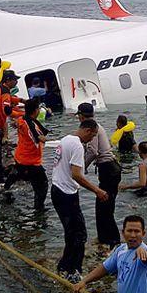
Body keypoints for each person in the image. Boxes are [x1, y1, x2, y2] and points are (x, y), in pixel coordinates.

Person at [51, 118, 109, 282]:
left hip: (57, 189)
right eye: (93, 135)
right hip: (66, 193)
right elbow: (76, 174)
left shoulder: (65, 140)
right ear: (88, 131)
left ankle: (63, 266)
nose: (92, 139)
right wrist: (97, 190)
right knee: (79, 235)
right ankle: (73, 272)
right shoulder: (77, 145)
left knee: (71, 233)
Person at [77, 102, 122, 247]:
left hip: (108, 169)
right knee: (103, 206)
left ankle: (113, 240)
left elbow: (93, 151)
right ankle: (104, 238)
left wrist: (81, 168)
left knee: (105, 206)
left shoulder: (92, 129)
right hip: (110, 168)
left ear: (81, 116)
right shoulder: (97, 125)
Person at [4, 97, 51, 209]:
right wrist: (58, 142)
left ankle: (6, 188)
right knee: (42, 186)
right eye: (38, 109)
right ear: (35, 111)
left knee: (17, 172)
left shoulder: (21, 119)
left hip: (20, 157)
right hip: (31, 162)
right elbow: (37, 137)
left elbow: (13, 117)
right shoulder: (30, 125)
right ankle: (38, 210)